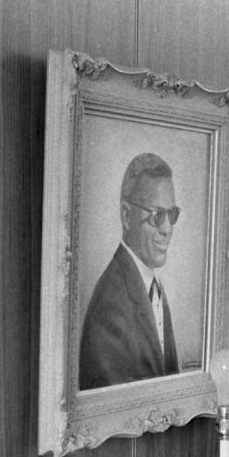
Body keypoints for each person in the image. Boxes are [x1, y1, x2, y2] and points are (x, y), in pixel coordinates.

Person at [79, 152, 180, 389]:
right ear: (126, 215)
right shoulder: (110, 309)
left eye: (172, 214)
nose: (167, 229)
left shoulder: (151, 286)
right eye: (157, 215)